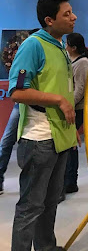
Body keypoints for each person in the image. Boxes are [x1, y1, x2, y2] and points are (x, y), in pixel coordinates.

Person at [8, 0, 78, 251]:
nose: (74, 17)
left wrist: (71, 127)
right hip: (39, 139)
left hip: (59, 137)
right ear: (49, 20)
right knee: (31, 206)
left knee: (50, 203)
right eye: (67, 14)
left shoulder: (60, 46)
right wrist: (59, 101)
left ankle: (46, 247)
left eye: (71, 12)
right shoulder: (33, 46)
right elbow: (17, 92)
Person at [0, 30, 36, 195]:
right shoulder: (24, 59)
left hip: (42, 109)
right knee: (6, 142)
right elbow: (18, 89)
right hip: (21, 107)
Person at [62, 33, 88, 196]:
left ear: (73, 47)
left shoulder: (82, 63)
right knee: (69, 143)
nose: (65, 46)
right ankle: (68, 179)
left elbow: (80, 89)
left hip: (77, 108)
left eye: (67, 44)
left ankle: (71, 180)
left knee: (71, 143)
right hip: (72, 107)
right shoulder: (72, 61)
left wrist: (67, 105)